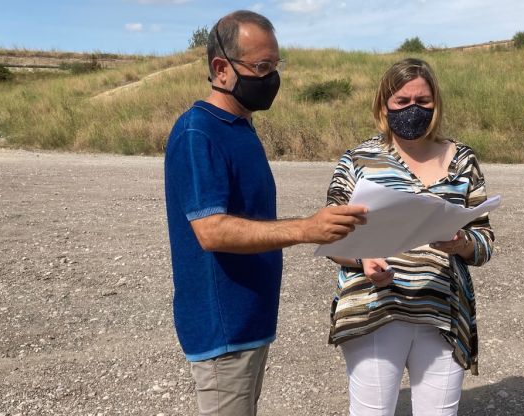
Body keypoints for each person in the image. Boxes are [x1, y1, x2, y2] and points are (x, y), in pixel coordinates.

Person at [163, 10, 367, 416]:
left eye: (275, 66)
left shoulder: (239, 127)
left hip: (250, 320)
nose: (271, 78)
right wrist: (306, 229)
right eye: (261, 67)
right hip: (224, 329)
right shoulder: (197, 132)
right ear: (221, 68)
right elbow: (211, 231)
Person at [325, 58, 495, 416]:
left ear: (436, 104)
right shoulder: (358, 160)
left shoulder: (463, 160)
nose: (412, 110)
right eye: (402, 102)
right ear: (384, 104)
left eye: (423, 102)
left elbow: (483, 242)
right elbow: (330, 236)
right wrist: (362, 260)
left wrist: (462, 243)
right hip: (375, 308)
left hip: (443, 314)